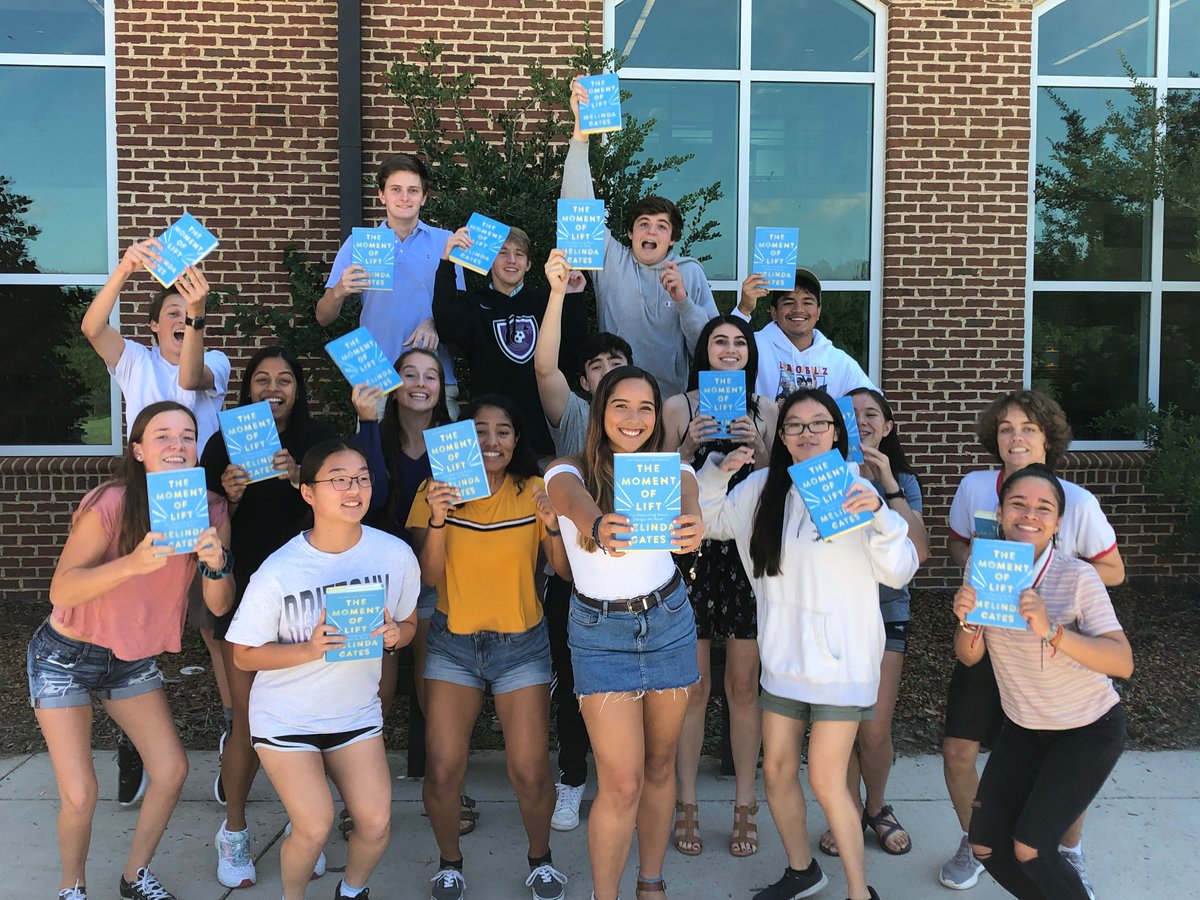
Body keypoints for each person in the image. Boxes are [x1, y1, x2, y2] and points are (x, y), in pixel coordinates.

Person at [696, 389, 919, 900]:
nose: (807, 433)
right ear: (782, 436)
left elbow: (900, 569)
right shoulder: (761, 489)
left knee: (825, 778)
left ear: (837, 432)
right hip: (784, 660)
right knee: (776, 771)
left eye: (819, 423)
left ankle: (859, 891)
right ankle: (802, 871)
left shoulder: (855, 488)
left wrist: (880, 516)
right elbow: (711, 522)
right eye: (795, 425)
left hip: (842, 664)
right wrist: (716, 473)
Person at [31, 401, 233, 900]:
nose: (177, 445)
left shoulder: (209, 509)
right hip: (66, 655)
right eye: (163, 435)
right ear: (139, 450)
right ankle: (72, 887)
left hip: (130, 659)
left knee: (171, 769)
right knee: (81, 793)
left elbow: (218, 605)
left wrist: (216, 564)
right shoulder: (111, 502)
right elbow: (62, 589)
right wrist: (132, 564)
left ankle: (135, 875)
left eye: (187, 436)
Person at [939, 390, 1124, 894]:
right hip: (1000, 653)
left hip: (1064, 672)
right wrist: (981, 589)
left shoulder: (1077, 512)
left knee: (1037, 831)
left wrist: (1052, 597)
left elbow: (1114, 580)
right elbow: (958, 547)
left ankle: (1065, 856)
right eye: (1006, 428)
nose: (1015, 437)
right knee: (979, 810)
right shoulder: (977, 492)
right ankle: (991, 846)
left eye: (1028, 428)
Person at [226, 439, 420, 900]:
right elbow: (244, 654)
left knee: (375, 823)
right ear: (309, 492)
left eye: (362, 478)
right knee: (314, 826)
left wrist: (396, 635)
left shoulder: (394, 555)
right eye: (339, 480)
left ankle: (351, 891)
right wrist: (310, 650)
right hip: (286, 717)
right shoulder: (279, 570)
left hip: (354, 713)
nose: (353, 489)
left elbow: (409, 623)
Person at [80, 240, 233, 803]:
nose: (181, 317)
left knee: (213, 622)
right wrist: (124, 266)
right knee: (133, 616)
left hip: (200, 501)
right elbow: (92, 327)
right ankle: (134, 740)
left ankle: (232, 732)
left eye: (186, 312)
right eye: (171, 312)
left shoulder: (214, 358)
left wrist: (197, 317)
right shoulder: (136, 361)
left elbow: (190, 380)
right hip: (142, 501)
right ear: (151, 326)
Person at [544, 366, 704, 900]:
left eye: (646, 408)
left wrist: (692, 524)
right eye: (621, 405)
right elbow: (568, 498)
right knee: (621, 781)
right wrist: (597, 524)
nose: (634, 418)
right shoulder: (568, 470)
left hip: (668, 622)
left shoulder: (672, 470)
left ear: (658, 417)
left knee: (659, 767)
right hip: (599, 632)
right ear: (599, 411)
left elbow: (689, 498)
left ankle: (650, 883)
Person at [407, 395, 571, 900]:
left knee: (530, 770)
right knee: (442, 769)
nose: (491, 441)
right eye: (480, 430)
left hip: (521, 645)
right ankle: (449, 863)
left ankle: (540, 860)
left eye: (503, 431)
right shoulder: (435, 491)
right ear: (463, 438)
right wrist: (439, 518)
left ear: (517, 439)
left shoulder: (535, 490)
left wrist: (552, 525)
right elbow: (428, 576)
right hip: (453, 644)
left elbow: (564, 571)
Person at [200, 346, 336, 888]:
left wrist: (303, 479)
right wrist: (229, 500)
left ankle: (305, 826)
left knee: (305, 722)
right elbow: (204, 534)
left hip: (306, 598)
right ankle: (233, 830)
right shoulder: (221, 443)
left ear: (298, 389)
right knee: (248, 722)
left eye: (284, 379)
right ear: (247, 389)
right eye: (262, 379)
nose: (273, 388)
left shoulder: (318, 442)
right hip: (245, 598)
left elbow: (345, 512)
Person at [662, 315, 777, 860]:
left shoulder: (766, 408)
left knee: (743, 685)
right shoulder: (677, 406)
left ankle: (744, 802)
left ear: (749, 353)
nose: (729, 350)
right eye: (719, 341)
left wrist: (762, 444)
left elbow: (781, 482)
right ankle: (685, 802)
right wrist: (687, 446)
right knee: (694, 686)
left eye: (738, 343)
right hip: (693, 549)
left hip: (747, 553)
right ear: (703, 351)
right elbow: (657, 483)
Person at [535, 250, 633, 832]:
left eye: (617, 362)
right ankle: (572, 778)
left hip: (636, 582)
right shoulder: (572, 414)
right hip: (572, 580)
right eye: (596, 365)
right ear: (584, 381)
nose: (607, 370)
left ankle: (631, 783)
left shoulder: (650, 421)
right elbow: (544, 366)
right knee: (571, 684)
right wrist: (556, 293)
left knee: (634, 686)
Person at [817, 389, 930, 859]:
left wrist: (888, 486)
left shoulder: (902, 479)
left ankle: (877, 807)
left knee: (875, 728)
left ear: (887, 427)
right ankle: (846, 808)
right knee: (841, 726)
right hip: (836, 614)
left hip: (886, 612)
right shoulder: (823, 477)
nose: (862, 420)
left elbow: (919, 550)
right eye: (853, 412)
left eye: (872, 414)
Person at [561, 77, 719, 398]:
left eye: (661, 226)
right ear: (630, 232)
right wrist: (580, 134)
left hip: (669, 406)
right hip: (613, 402)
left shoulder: (689, 272)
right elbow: (578, 206)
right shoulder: (612, 260)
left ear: (672, 238)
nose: (650, 231)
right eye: (643, 224)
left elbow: (709, 350)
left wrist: (683, 301)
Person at [315, 154, 465, 415]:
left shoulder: (447, 242)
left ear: (424, 197)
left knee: (437, 444)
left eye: (413, 190)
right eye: (396, 189)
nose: (405, 198)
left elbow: (462, 310)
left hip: (434, 377)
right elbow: (323, 317)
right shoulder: (359, 243)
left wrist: (435, 322)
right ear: (382, 195)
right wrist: (339, 291)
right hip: (376, 380)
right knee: (374, 444)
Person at [434, 225, 587, 457]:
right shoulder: (474, 304)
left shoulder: (546, 301)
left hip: (541, 440)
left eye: (519, 254)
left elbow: (573, 354)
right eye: (503, 252)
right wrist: (447, 263)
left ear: (529, 264)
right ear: (490, 261)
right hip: (490, 438)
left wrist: (574, 298)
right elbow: (446, 328)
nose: (511, 260)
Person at [732, 269, 874, 404]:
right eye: (789, 303)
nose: (798, 309)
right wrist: (743, 309)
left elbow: (874, 403)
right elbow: (725, 353)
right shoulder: (754, 347)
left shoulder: (839, 361)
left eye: (807, 302)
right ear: (774, 312)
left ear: (818, 311)